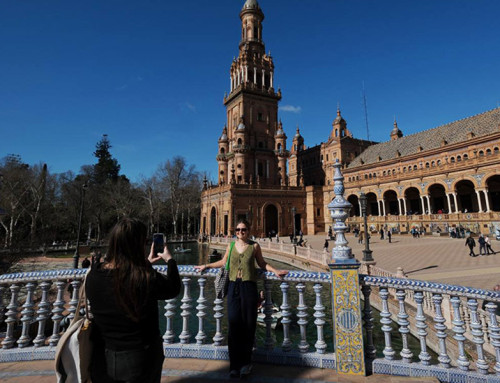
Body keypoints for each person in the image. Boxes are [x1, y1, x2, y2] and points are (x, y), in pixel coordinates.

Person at [86, 218, 181, 382]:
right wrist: (170, 260)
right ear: (137, 244)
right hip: (139, 358)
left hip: (102, 356)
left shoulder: (94, 275)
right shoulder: (144, 278)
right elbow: (172, 288)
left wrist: (144, 264)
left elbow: (120, 279)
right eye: (144, 241)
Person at [195, 219, 287, 378]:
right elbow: (224, 262)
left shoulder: (254, 246)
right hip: (233, 286)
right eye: (237, 230)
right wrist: (206, 266)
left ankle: (246, 364)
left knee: (249, 325)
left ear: (249, 231)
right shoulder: (231, 246)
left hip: (248, 287)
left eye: (243, 230)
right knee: (233, 323)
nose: (240, 232)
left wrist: (275, 270)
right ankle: (234, 365)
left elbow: (262, 264)